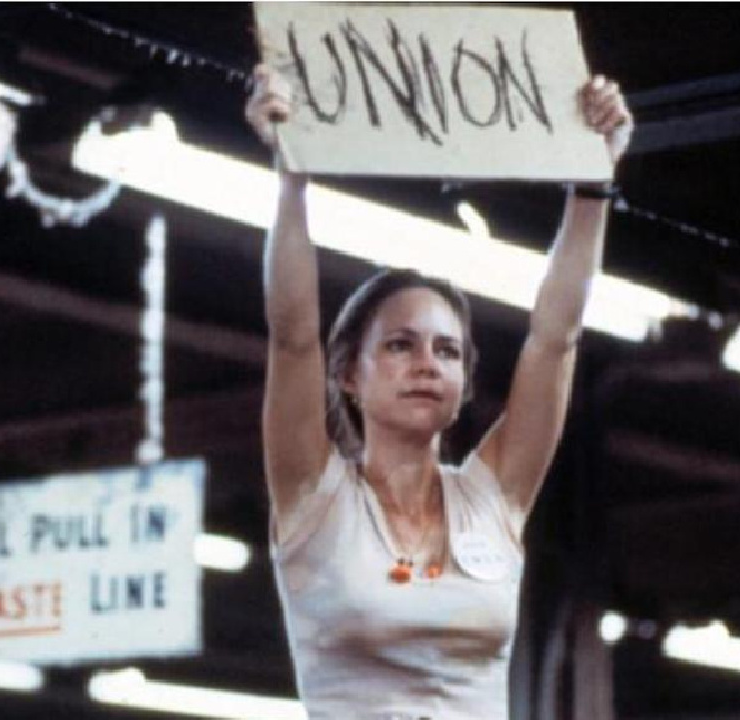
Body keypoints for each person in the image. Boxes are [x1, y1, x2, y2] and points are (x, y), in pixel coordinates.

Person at [245, 63, 633, 720]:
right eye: (400, 345)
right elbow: (292, 336)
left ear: (462, 383)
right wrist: (292, 173)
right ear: (348, 375)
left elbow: (555, 338)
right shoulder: (313, 493)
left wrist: (593, 183)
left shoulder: (495, 495)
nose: (426, 363)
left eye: (446, 350)